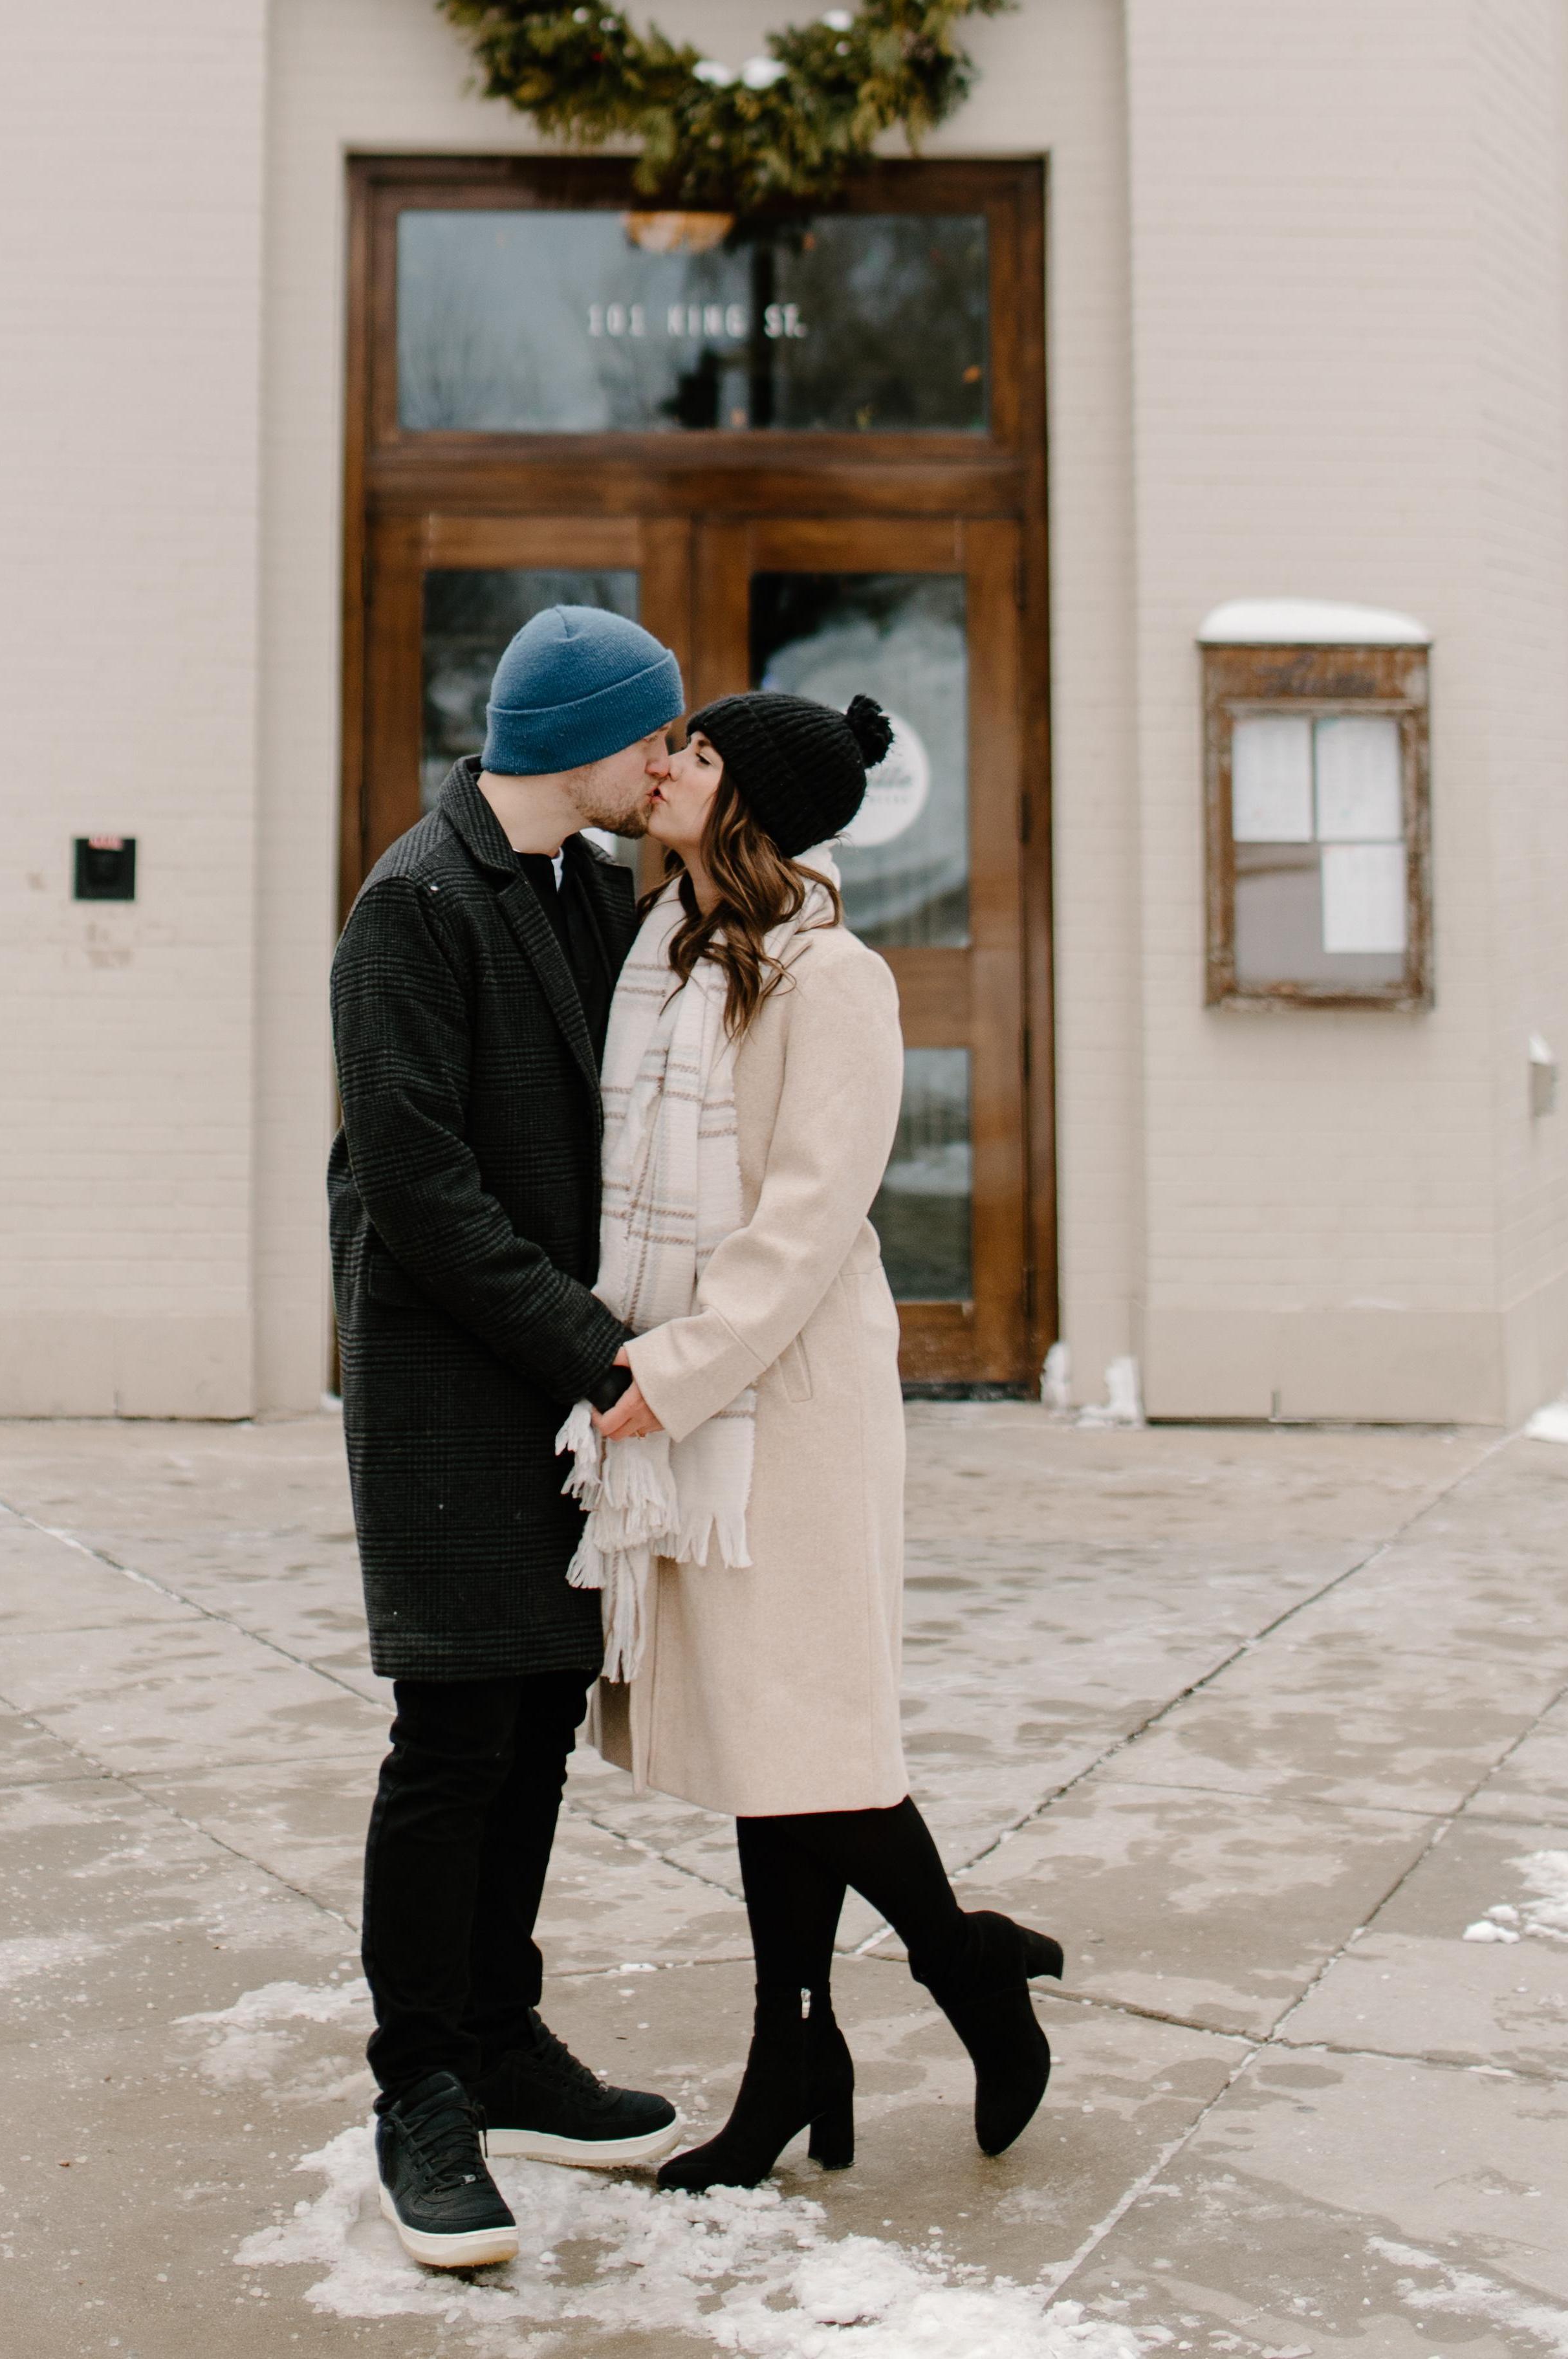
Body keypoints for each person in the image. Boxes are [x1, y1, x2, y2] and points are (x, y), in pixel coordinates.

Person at [567, 689, 1071, 2190]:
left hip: (779, 1393)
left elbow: (808, 1216)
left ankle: (943, 1978)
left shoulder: (831, 978)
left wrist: (680, 1367)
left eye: (697, 753)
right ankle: (823, 2037)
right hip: (686, 1383)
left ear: (753, 801)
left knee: (806, 1727)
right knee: (763, 1731)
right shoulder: (663, 948)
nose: (664, 765)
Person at [325, 603, 693, 2272]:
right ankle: (420, 2088)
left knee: (536, 1716)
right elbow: (417, 1186)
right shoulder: (414, 901)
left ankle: (501, 2036)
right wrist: (597, 1345)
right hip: (448, 1385)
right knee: (454, 1733)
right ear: (585, 740)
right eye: (655, 739)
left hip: (552, 1382)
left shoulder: (587, 885)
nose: (666, 766)